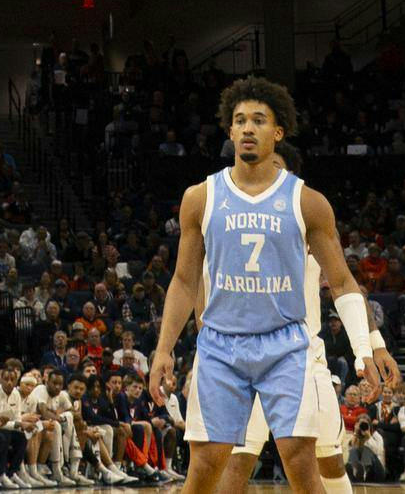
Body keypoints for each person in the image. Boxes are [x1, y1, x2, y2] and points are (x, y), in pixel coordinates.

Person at [150, 77, 376, 494]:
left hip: (286, 345)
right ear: (230, 131)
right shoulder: (200, 197)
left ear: (278, 132)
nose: (248, 128)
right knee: (204, 467)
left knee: (302, 462)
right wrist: (164, 348)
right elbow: (183, 280)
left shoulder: (308, 201)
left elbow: (342, 281)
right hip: (220, 344)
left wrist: (365, 349)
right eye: (240, 121)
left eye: (258, 120)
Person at [214, 144, 400, 494]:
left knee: (327, 460)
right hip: (240, 356)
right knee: (236, 459)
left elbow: (348, 287)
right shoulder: (231, 222)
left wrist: (374, 345)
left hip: (301, 358)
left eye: (276, 168)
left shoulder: (304, 222)